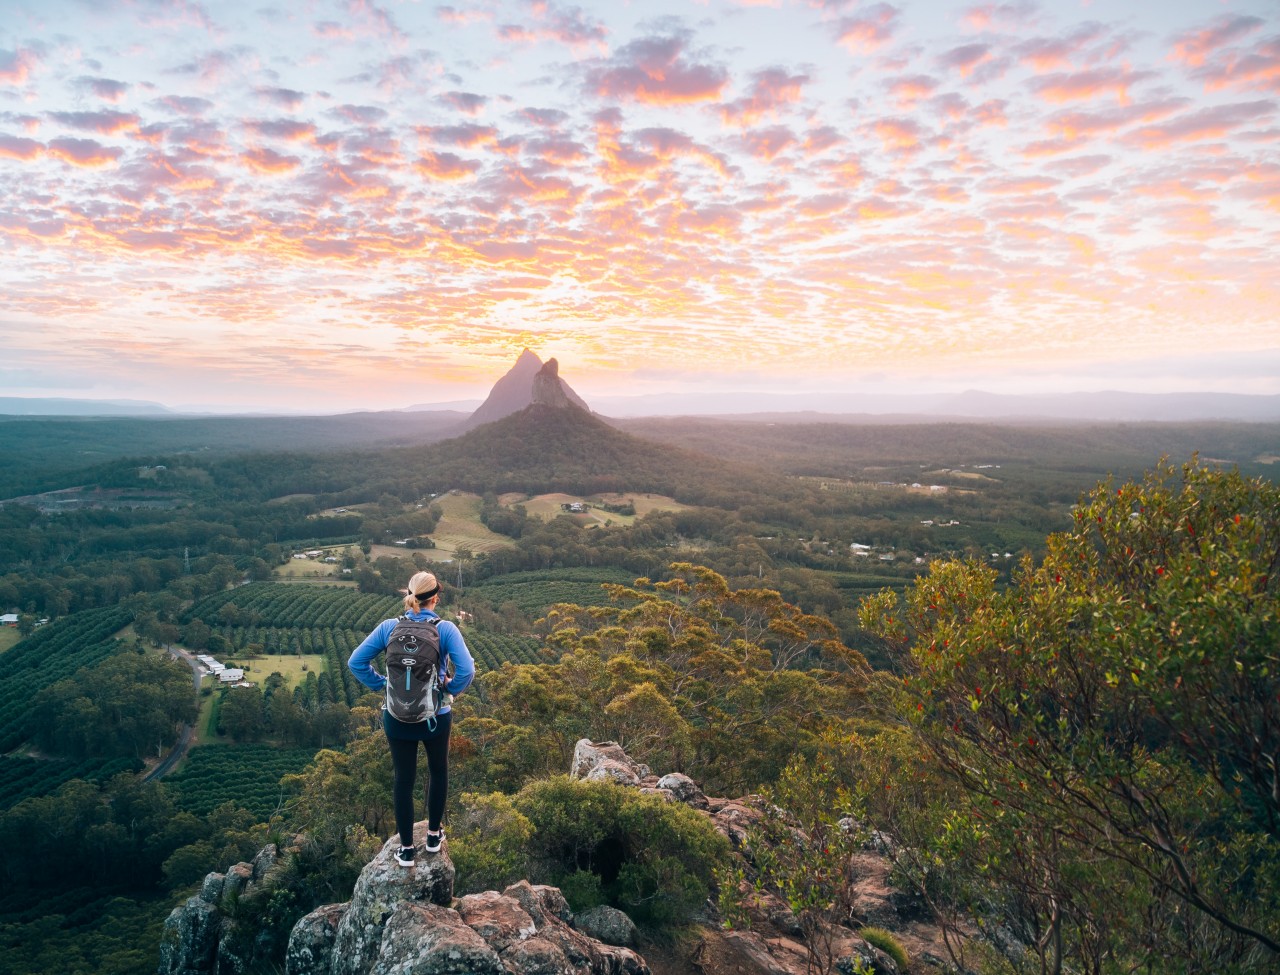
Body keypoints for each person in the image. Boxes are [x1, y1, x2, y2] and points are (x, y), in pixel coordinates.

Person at [348, 570, 475, 867]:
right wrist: (447, 688)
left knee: (403, 780)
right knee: (438, 771)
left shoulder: (388, 627)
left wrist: (383, 685)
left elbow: (356, 662)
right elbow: (467, 670)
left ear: (407, 595)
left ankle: (406, 849)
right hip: (435, 716)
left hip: (395, 716)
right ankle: (433, 837)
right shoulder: (445, 630)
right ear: (436, 598)